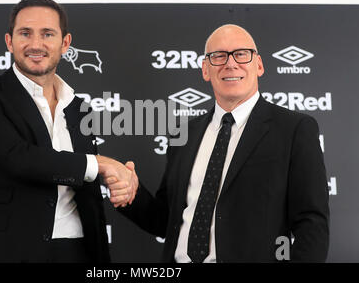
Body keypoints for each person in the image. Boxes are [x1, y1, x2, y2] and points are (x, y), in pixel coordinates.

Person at [109, 24, 329, 262]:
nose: (230, 63)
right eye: (218, 56)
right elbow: (166, 220)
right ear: (205, 69)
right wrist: (131, 194)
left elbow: (312, 224)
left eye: (241, 54)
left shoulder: (294, 129)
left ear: (259, 65)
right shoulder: (183, 135)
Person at [0, 0, 136, 263]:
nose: (35, 44)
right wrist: (101, 164)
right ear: (9, 41)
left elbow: (83, 182)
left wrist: (122, 182)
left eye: (47, 34)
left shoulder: (79, 108)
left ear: (65, 44)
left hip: (78, 251)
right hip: (1, 251)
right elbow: (18, 158)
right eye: (25, 33)